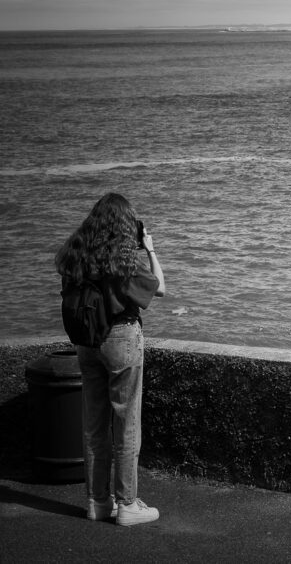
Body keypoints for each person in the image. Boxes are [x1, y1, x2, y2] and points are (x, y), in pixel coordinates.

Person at [55, 193, 165, 526]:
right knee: (127, 423)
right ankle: (128, 504)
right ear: (126, 225)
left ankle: (97, 502)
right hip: (120, 340)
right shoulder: (123, 261)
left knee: (94, 425)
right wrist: (148, 247)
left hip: (86, 343)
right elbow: (158, 288)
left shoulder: (75, 256)